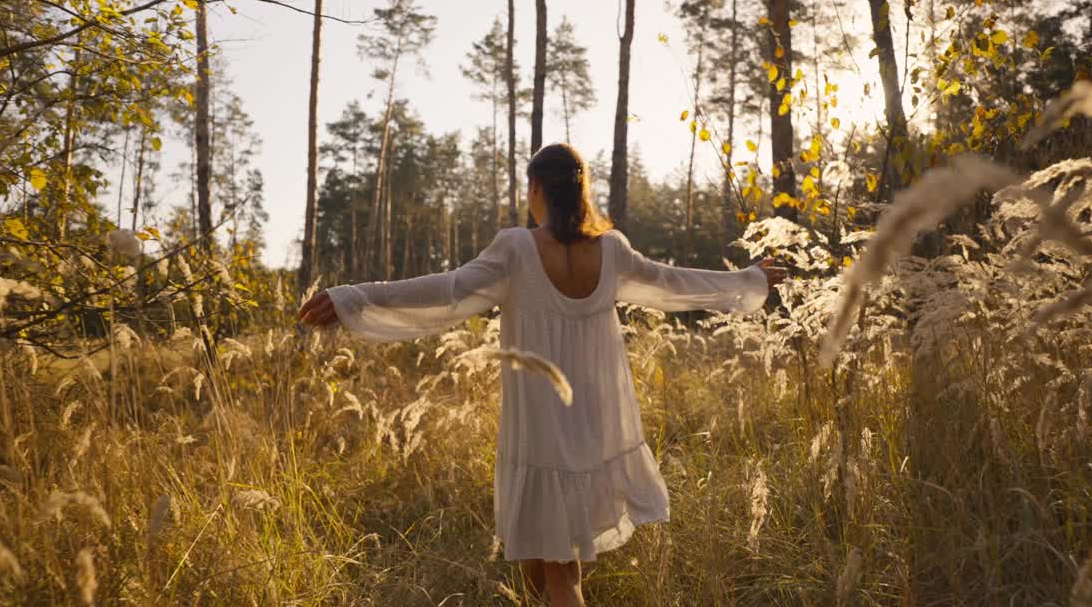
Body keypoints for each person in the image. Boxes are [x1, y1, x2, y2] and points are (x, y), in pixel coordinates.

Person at [298, 143, 786, 606]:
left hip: (544, 431)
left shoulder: (517, 248)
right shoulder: (611, 251)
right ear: (581, 191)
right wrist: (748, 280)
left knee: (561, 575)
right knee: (535, 564)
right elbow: (676, 281)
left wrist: (352, 297)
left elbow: (445, 290)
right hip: (592, 424)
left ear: (535, 188)